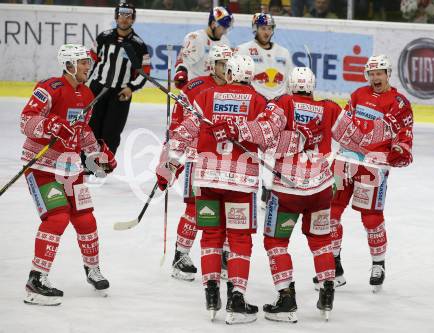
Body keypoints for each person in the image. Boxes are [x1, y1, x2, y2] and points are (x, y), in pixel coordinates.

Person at [163, 54, 286, 324]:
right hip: (240, 183)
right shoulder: (258, 100)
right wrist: (245, 128)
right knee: (239, 239)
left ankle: (211, 295)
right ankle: (237, 299)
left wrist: (167, 167)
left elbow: (182, 133)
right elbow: (272, 131)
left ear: (229, 73)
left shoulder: (206, 96)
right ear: (251, 76)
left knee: (211, 236)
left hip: (206, 180)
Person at [20, 44, 117, 306]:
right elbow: (25, 121)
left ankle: (92, 270)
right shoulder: (49, 88)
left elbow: (83, 132)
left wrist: (98, 156)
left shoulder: (87, 94)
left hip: (71, 168)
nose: (89, 67)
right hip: (41, 166)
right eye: (84, 62)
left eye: (88, 63)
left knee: (86, 219)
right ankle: (36, 280)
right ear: (70, 64)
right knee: (58, 217)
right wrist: (52, 125)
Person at [261, 67, 340, 322]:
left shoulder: (283, 102)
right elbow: (355, 134)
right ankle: (327, 288)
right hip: (321, 189)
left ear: (291, 86)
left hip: (288, 191)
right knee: (320, 241)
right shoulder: (329, 107)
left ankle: (286, 299)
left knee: (275, 242)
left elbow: (265, 136)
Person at [329, 54, 414, 292]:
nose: (376, 77)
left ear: (388, 74)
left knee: (371, 217)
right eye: (372, 73)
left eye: (380, 73)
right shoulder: (358, 94)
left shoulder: (399, 102)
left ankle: (378, 264)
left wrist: (398, 149)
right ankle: (334, 264)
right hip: (344, 160)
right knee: (331, 212)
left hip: (373, 166)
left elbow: (405, 133)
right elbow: (344, 123)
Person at [156, 44, 233, 281]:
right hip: (196, 155)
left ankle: (223, 254)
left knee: (229, 208)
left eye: (229, 64)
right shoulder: (195, 87)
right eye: (223, 64)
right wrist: (169, 162)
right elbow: (178, 124)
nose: (227, 69)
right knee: (194, 208)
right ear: (213, 65)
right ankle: (181, 256)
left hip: (226, 158)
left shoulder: (238, 87)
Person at [237, 12, 293, 208]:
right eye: (263, 28)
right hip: (254, 107)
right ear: (255, 29)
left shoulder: (283, 53)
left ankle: (268, 187)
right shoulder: (244, 50)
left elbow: (289, 81)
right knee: (252, 149)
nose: (266, 32)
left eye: (269, 28)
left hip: (277, 109)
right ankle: (246, 183)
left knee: (273, 151)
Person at [87, 2, 151, 156]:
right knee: (91, 128)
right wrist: (83, 84)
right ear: (116, 17)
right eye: (121, 15)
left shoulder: (139, 45)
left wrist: (131, 88)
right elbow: (90, 62)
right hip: (98, 88)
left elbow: (145, 72)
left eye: (128, 16)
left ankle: (104, 164)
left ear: (133, 19)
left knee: (112, 131)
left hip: (120, 93)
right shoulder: (103, 37)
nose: (124, 19)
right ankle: (87, 162)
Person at [174, 6, 233, 89]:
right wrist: (181, 73)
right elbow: (183, 61)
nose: (225, 32)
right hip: (195, 86)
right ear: (213, 24)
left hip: (214, 89)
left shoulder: (225, 42)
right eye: (223, 28)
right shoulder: (195, 38)